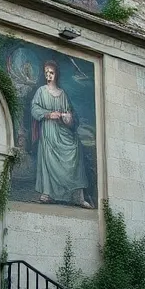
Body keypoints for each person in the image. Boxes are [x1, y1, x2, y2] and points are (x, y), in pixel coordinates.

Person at [28, 60, 91, 208]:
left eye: (51, 72)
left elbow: (69, 113)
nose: (48, 75)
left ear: (56, 74)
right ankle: (47, 193)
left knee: (75, 148)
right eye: (46, 73)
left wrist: (67, 118)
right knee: (48, 157)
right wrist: (48, 114)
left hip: (62, 130)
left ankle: (77, 196)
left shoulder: (63, 94)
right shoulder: (41, 91)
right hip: (49, 131)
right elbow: (34, 109)